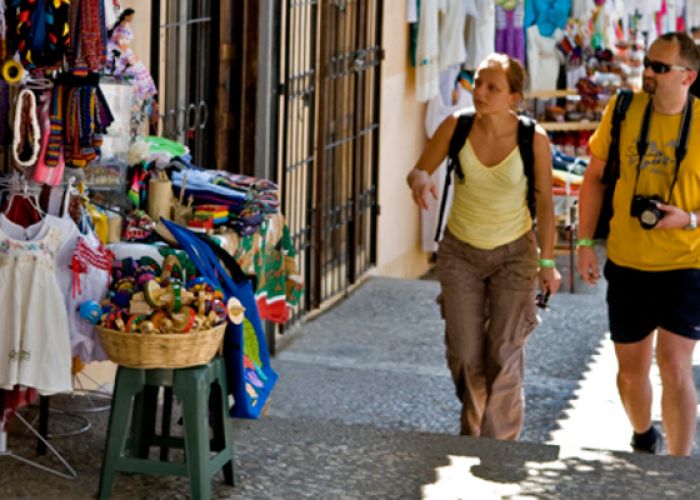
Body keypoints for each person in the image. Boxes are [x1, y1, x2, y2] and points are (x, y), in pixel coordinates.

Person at [406, 53, 561, 439]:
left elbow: (544, 203)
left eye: (492, 86)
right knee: (464, 355)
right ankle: (474, 426)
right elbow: (420, 168)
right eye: (477, 82)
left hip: (514, 256)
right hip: (460, 254)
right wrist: (420, 181)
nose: (480, 92)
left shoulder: (532, 138)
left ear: (514, 97)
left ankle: (497, 451)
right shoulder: (457, 126)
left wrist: (548, 262)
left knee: (504, 356)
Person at [577, 32, 700, 456]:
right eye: (648, 63)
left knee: (675, 365)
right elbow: (594, 178)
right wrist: (583, 241)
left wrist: (689, 219)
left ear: (687, 77)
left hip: (687, 262)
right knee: (630, 372)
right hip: (628, 261)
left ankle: (680, 468)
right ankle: (644, 434)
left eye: (659, 68)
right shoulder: (623, 109)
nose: (648, 72)